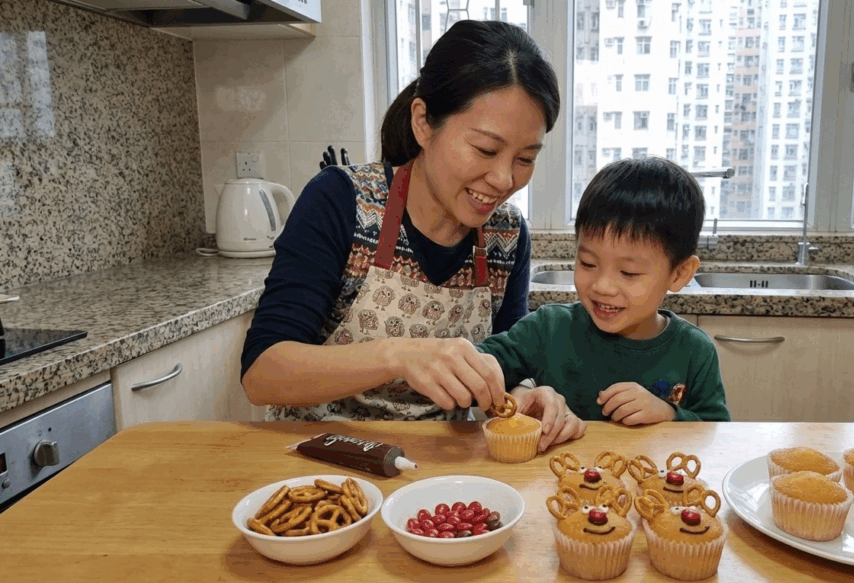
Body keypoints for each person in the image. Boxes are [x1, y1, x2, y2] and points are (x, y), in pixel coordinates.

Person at [240, 20, 585, 448]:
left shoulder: (507, 236)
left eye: (525, 158)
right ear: (423, 123)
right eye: (485, 150)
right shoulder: (341, 201)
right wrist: (398, 355)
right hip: (315, 464)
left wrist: (527, 394)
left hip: (441, 472)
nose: (502, 178)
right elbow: (262, 373)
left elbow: (505, 365)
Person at [477, 157, 731, 424]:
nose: (602, 286)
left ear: (679, 274)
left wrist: (669, 414)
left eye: (628, 273)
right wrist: (520, 390)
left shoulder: (694, 352)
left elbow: (716, 431)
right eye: (588, 263)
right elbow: (482, 365)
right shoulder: (547, 329)